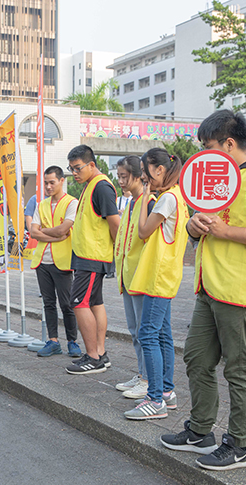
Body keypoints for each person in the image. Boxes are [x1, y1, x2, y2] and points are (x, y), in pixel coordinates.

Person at [160, 110, 246, 471]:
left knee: (240, 369)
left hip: (242, 292)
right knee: (197, 359)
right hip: (210, 287)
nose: (204, 153)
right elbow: (203, 225)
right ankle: (201, 430)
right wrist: (193, 225)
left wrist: (224, 232)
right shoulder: (215, 179)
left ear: (229, 144)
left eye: (210, 146)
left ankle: (240, 445)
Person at [123, 149, 189, 421]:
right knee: (162, 335)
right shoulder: (178, 198)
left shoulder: (167, 200)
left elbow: (143, 231)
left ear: (158, 170)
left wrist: (145, 199)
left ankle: (154, 398)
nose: (143, 176)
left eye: (144, 170)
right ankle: (167, 393)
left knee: (148, 335)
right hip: (165, 275)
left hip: (156, 277)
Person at [63, 145, 121, 375]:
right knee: (95, 303)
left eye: (77, 168)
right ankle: (100, 353)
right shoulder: (91, 186)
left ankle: (93, 357)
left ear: (91, 165)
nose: (74, 173)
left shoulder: (102, 187)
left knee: (78, 303)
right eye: (71, 169)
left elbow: (115, 223)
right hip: (87, 255)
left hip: (92, 256)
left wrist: (120, 254)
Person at [29, 166, 81, 357]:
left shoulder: (72, 203)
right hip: (42, 261)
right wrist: (55, 236)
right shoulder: (41, 204)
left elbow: (63, 229)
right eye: (46, 183)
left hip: (63, 261)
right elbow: (33, 232)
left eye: (52, 182)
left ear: (61, 181)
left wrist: (45, 232)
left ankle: (72, 341)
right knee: (48, 303)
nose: (48, 186)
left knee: (67, 304)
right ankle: (53, 341)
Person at [113, 157, 152, 396]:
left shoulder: (148, 202)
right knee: (134, 329)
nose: (120, 181)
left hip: (141, 275)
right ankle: (142, 374)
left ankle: (148, 380)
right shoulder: (130, 203)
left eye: (124, 177)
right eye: (118, 176)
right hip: (127, 275)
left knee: (144, 331)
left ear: (138, 176)